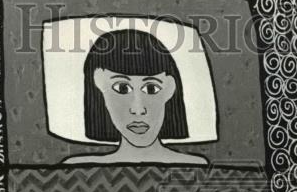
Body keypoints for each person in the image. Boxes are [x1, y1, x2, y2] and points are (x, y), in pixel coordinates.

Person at [64, 28, 208, 165]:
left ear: (170, 90)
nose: (138, 109)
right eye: (122, 88)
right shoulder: (74, 170)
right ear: (99, 89)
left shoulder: (196, 167)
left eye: (151, 88)